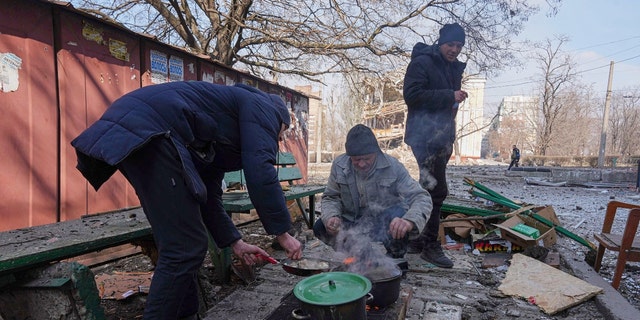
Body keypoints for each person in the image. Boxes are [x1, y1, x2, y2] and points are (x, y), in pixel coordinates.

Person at [71, 81, 303, 320]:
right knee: (183, 247)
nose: (276, 140)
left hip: (138, 128)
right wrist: (283, 233)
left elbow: (209, 196)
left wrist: (235, 242)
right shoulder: (265, 107)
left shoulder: (224, 126)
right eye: (280, 134)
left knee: (181, 243)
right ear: (280, 122)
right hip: (152, 129)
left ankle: (185, 315)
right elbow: (260, 171)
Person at [402, 22, 468, 268]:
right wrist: (449, 96)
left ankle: (417, 239)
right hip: (424, 137)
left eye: (459, 45)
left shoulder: (452, 67)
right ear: (441, 42)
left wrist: (455, 100)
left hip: (442, 136)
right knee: (436, 190)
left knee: (427, 188)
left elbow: (443, 101)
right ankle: (430, 245)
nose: (455, 49)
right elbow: (412, 95)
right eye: (451, 44)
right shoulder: (422, 62)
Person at [313, 124, 432, 259]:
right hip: (353, 221)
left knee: (398, 218)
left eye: (367, 159)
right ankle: (358, 257)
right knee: (320, 227)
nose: (362, 164)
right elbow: (331, 197)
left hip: (382, 223)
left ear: (376, 153)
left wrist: (409, 221)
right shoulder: (339, 165)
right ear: (349, 156)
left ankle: (395, 261)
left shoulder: (393, 166)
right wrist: (332, 216)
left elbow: (421, 197)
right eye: (356, 160)